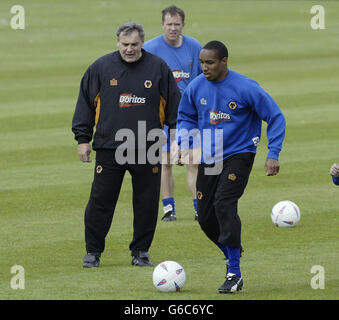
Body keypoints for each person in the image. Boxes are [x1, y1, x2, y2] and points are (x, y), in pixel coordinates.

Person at [175, 41, 286, 293]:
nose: (204, 67)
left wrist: (273, 153)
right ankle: (232, 249)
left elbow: (275, 116)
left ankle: (234, 271)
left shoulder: (246, 87)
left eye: (210, 63)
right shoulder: (196, 87)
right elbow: (186, 117)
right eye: (202, 62)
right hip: (209, 156)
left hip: (239, 154)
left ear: (224, 61)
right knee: (204, 218)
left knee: (224, 204)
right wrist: (184, 141)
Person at [72, 22, 181, 268]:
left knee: (146, 202)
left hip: (148, 147)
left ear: (142, 43)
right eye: (125, 44)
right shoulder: (100, 68)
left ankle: (141, 251)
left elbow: (175, 108)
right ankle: (93, 252)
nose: (129, 49)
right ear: (117, 42)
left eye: (134, 45)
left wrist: (177, 142)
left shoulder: (158, 68)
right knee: (100, 201)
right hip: (110, 146)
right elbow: (85, 106)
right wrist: (82, 140)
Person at [143, 5, 202, 221]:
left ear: (183, 25)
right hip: (161, 115)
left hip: (188, 115)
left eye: (177, 24)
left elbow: (200, 80)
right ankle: (169, 209)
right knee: (165, 162)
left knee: (192, 162)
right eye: (169, 24)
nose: (173, 28)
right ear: (162, 25)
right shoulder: (150, 48)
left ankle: (199, 207)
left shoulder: (195, 47)